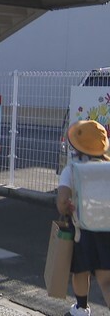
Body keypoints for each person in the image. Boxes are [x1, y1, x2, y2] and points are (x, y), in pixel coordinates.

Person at [56, 120, 110, 316]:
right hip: (108, 229)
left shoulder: (72, 170)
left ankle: (80, 308)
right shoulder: (108, 169)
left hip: (82, 231)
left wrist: (66, 207)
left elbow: (62, 200)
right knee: (106, 279)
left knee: (81, 271)